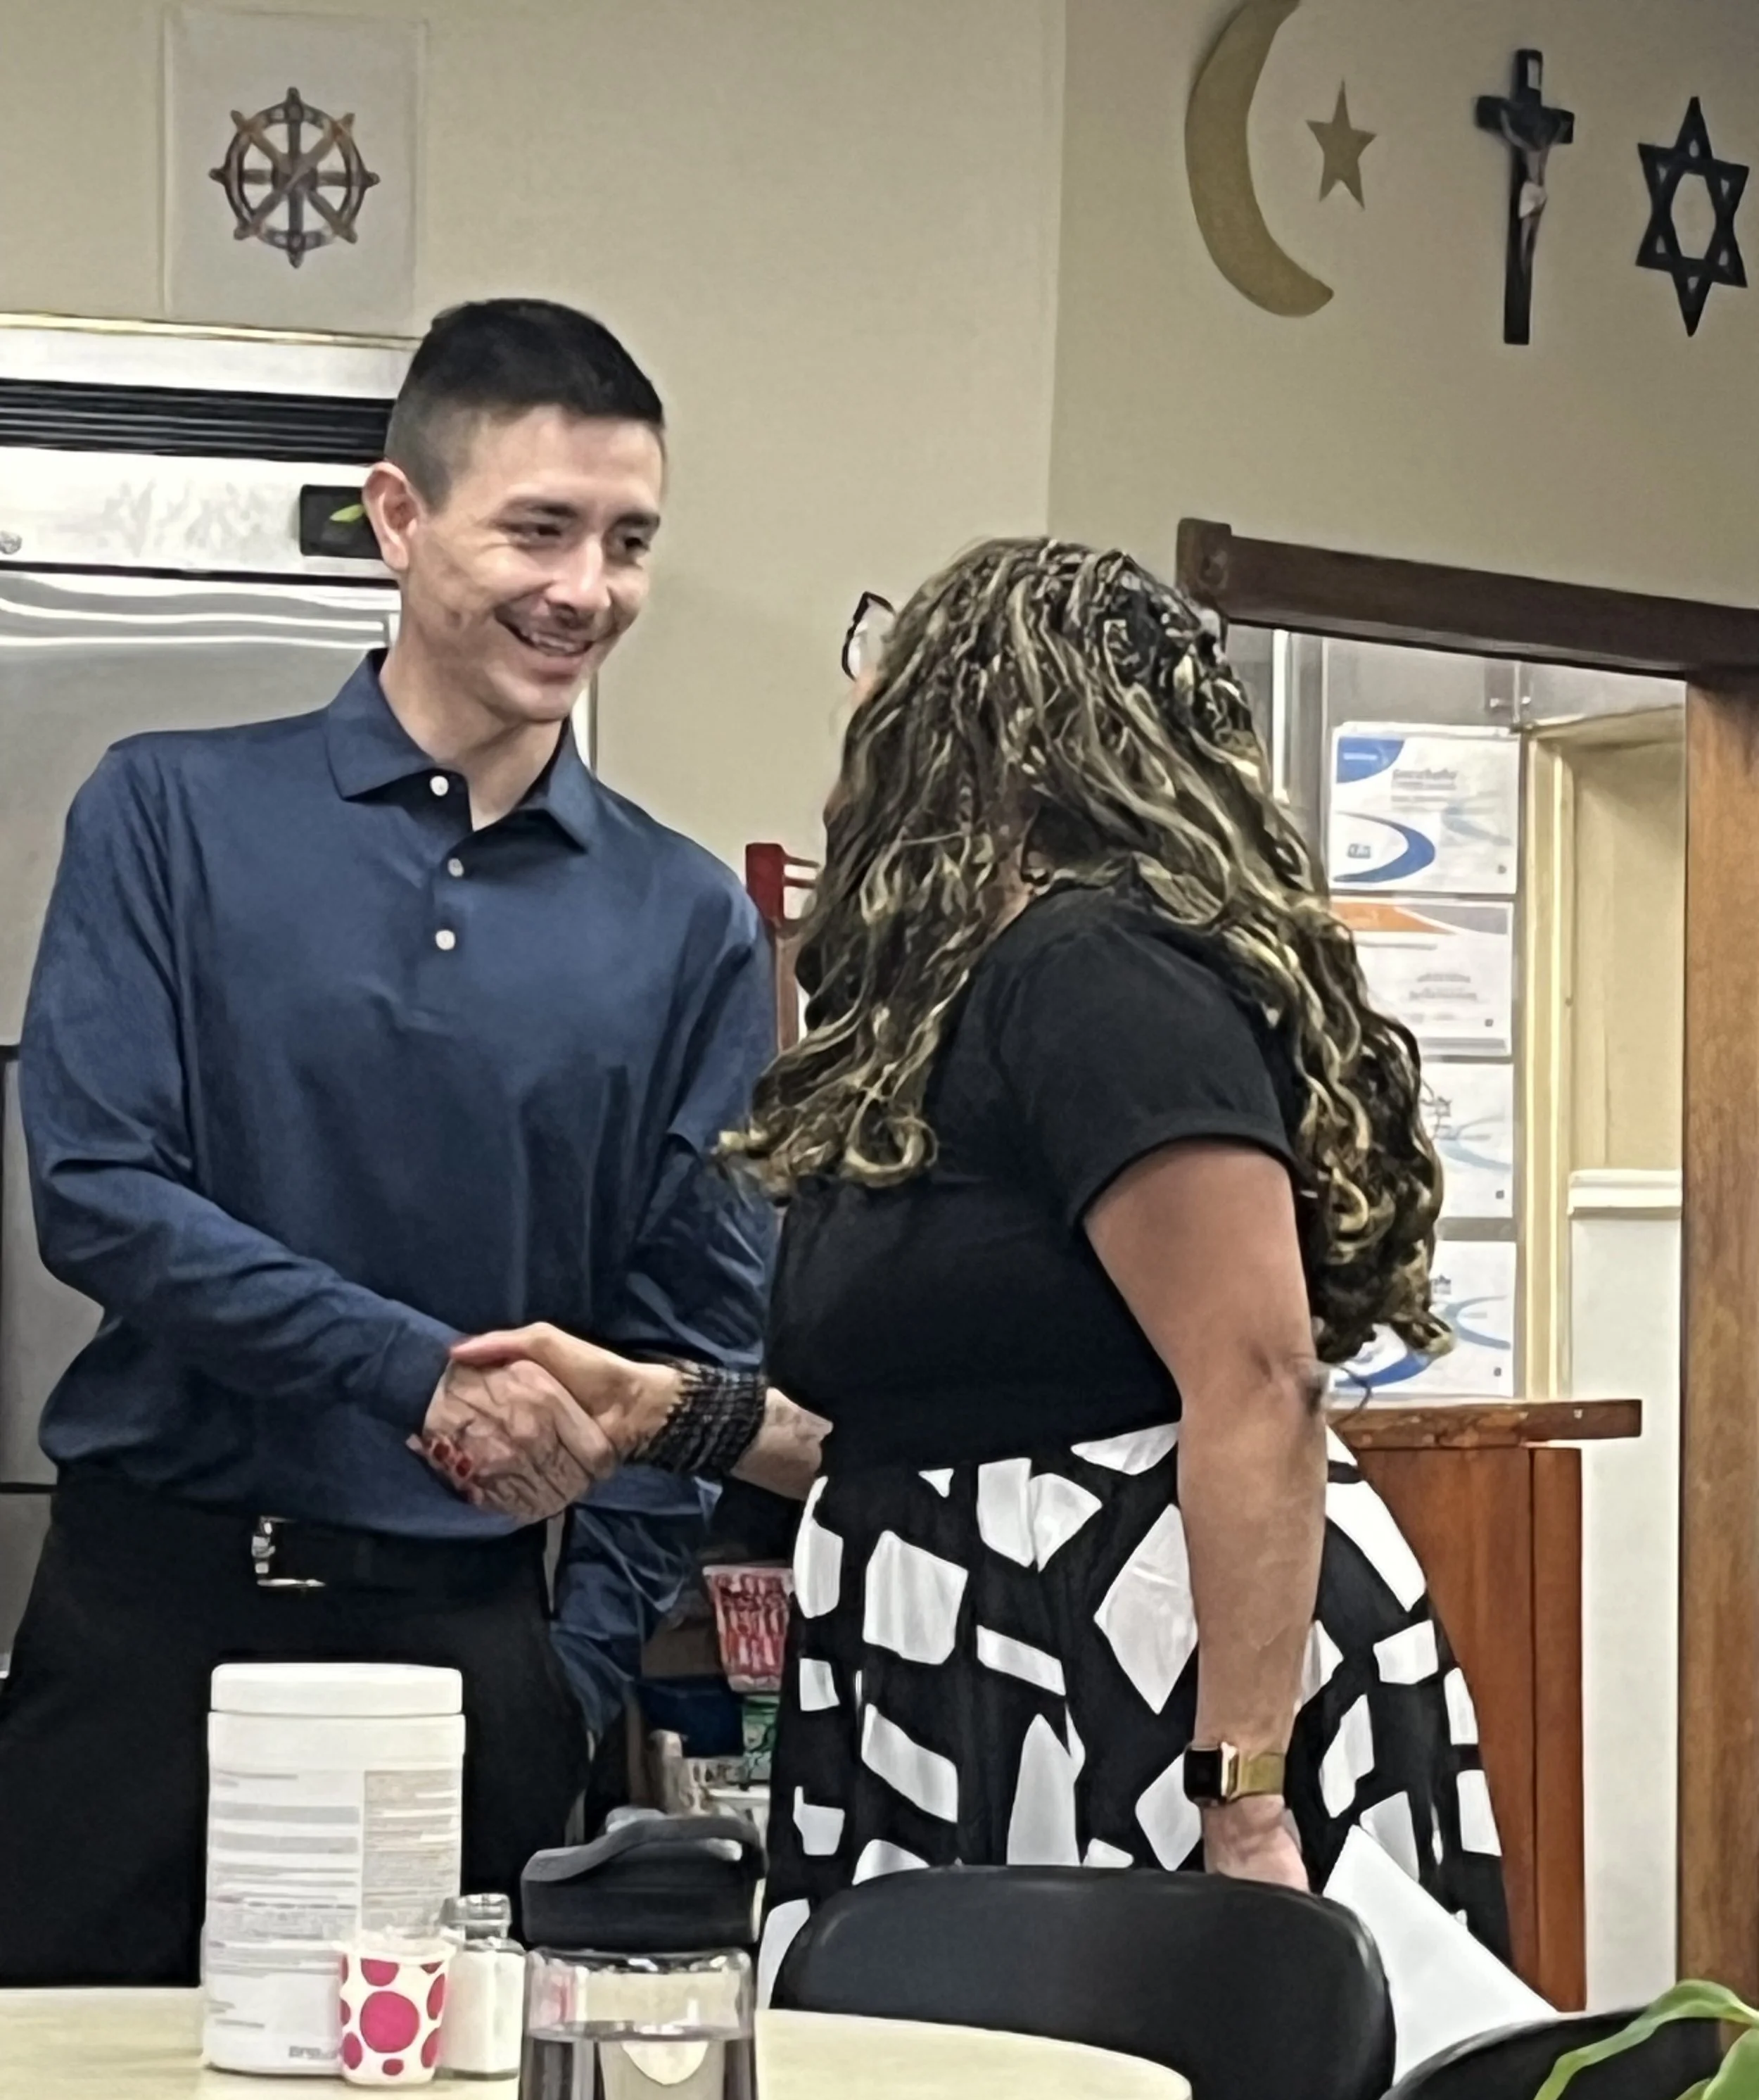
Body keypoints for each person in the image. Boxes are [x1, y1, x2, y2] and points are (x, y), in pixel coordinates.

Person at [443, 537, 1510, 1993]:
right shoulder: (964, 1009)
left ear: (990, 716)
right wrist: (653, 1410)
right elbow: (932, 1456)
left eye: (893, 654)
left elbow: (1259, 1381)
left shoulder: (1097, 969)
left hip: (1139, 1680)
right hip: (976, 1666)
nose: (859, 697)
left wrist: (1244, 1796)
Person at [0, 297, 775, 1992]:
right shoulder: (167, 812)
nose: (585, 589)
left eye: (628, 541)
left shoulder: (688, 920)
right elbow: (98, 1194)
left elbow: (696, 1345)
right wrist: (414, 1374)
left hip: (462, 1651)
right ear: (399, 517)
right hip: (150, 1627)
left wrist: (572, 1665)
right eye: (539, 529)